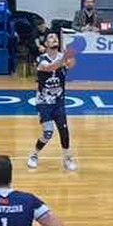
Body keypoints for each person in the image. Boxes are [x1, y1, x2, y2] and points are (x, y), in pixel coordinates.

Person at [28, 27, 76, 172]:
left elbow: (71, 64)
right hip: (44, 102)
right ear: (46, 44)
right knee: (48, 133)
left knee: (64, 131)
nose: (54, 38)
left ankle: (67, 158)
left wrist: (71, 55)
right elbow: (49, 68)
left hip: (59, 102)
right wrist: (64, 58)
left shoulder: (62, 56)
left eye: (55, 37)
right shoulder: (41, 59)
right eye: (50, 37)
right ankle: (34, 154)